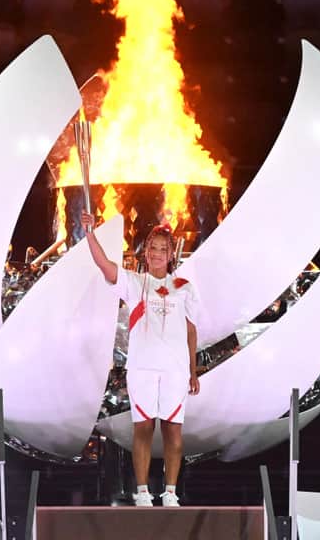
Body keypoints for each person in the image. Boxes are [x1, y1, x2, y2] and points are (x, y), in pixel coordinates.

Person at [80, 210, 200, 508]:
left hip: (175, 370)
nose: (158, 254)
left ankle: (170, 492)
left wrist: (193, 372)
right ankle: (143, 491)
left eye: (163, 249)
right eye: (153, 248)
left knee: (173, 430)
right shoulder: (133, 283)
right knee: (143, 428)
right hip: (142, 367)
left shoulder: (184, 287)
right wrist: (90, 233)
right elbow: (105, 265)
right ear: (145, 253)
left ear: (171, 254)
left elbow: (191, 330)